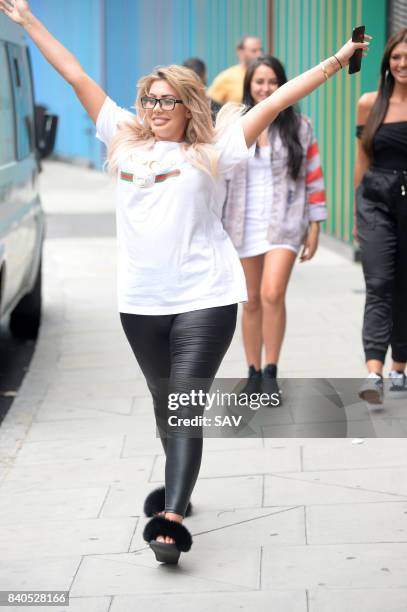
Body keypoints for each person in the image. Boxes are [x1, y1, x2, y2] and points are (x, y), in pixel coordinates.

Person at [0, 0, 370, 564]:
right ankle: (182, 488)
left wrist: (337, 60)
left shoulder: (214, 147)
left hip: (207, 294)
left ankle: (170, 517)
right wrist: (27, 21)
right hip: (141, 299)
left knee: (182, 403)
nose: (154, 108)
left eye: (167, 101)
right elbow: (75, 74)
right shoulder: (122, 135)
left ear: (188, 105)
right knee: (161, 402)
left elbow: (275, 99)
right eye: (149, 98)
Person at [222, 56, 327, 402]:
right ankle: (252, 372)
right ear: (249, 85)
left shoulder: (299, 125)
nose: (265, 88)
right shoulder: (235, 124)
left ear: (282, 84)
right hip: (242, 223)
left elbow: (313, 175)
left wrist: (315, 224)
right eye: (259, 82)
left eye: (272, 81)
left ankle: (271, 371)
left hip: (286, 222)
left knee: (272, 293)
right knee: (250, 300)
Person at [355, 28, 407, 405]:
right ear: (387, 62)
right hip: (375, 201)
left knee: (404, 286)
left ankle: (399, 367)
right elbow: (362, 159)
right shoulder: (369, 103)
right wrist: (358, 209)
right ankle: (373, 372)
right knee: (379, 283)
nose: (403, 64)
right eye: (396, 58)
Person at [207, 35, 263, 104]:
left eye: (261, 50)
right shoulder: (227, 77)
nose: (259, 54)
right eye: (254, 51)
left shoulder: (265, 74)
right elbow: (209, 102)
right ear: (240, 52)